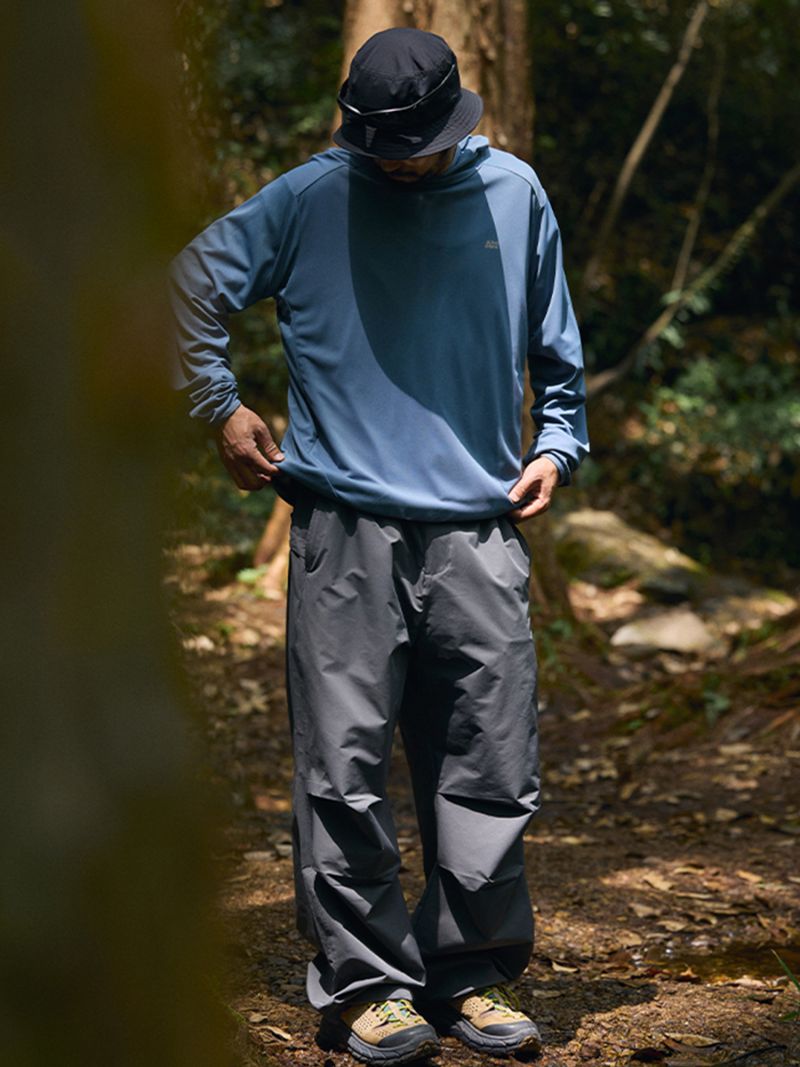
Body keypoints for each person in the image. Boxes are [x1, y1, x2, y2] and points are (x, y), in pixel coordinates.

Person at [170, 26, 588, 1065]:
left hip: (479, 529)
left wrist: (558, 441)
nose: (396, 162)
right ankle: (368, 984)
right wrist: (220, 405)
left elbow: (557, 349)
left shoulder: (514, 195)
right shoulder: (309, 198)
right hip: (343, 529)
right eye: (379, 146)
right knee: (343, 767)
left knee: (491, 760)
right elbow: (186, 288)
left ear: (453, 121)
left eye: (412, 146)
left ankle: (472, 970)